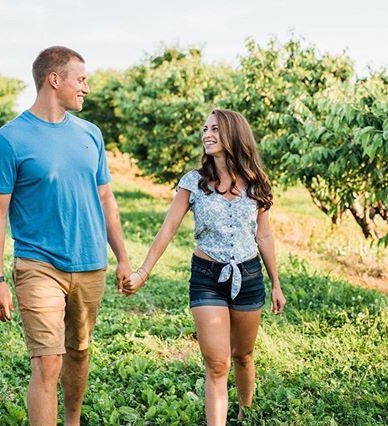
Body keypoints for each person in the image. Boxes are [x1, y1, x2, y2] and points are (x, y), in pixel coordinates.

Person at [0, 46, 131, 426]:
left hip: (90, 263)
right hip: (38, 265)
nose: (86, 88)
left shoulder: (90, 134)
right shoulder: (9, 139)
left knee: (78, 352)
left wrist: (123, 258)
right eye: (80, 79)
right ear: (54, 79)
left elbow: (105, 198)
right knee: (48, 361)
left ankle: (72, 421)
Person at [123, 108, 287, 425]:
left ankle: (245, 412)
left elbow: (263, 235)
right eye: (205, 129)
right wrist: (143, 271)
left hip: (249, 275)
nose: (207, 134)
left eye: (214, 129)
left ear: (233, 134)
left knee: (243, 355)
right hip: (207, 278)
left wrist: (276, 283)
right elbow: (167, 229)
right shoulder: (194, 182)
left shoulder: (256, 183)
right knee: (217, 364)